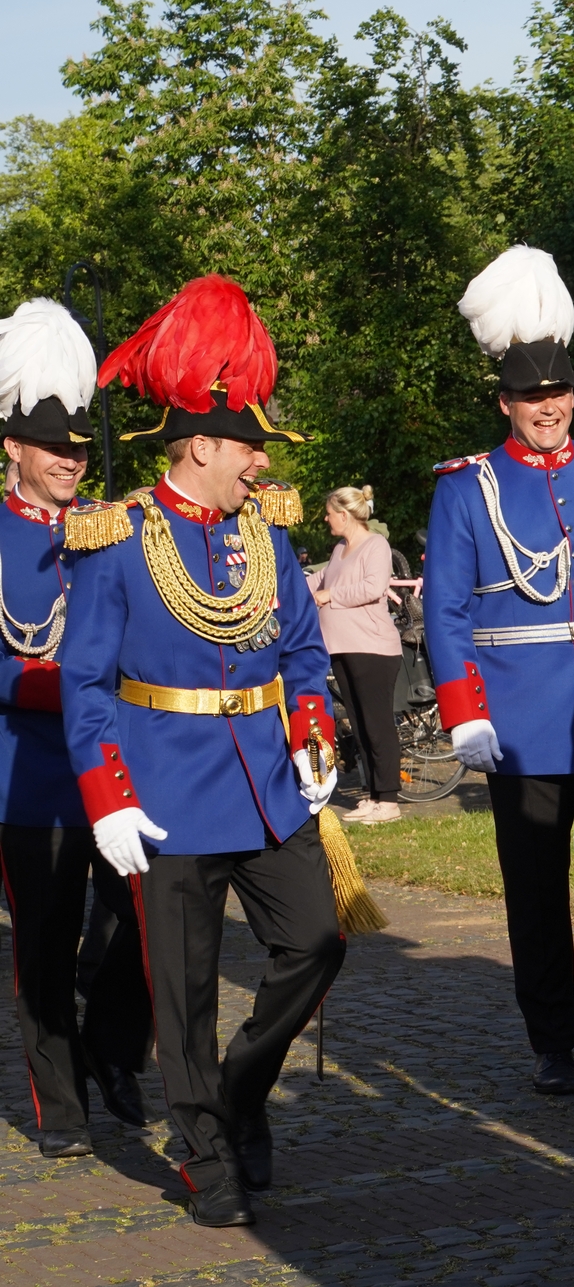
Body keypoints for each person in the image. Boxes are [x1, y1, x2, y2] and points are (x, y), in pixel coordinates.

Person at [62, 275, 344, 1228]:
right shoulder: (118, 538)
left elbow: (303, 650)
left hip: (266, 784)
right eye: (250, 446)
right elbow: (86, 682)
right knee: (181, 996)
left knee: (316, 938)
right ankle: (205, 1154)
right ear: (201, 446)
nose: (263, 462)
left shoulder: (263, 535)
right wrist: (108, 795)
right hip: (166, 792)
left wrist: (312, 733)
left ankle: (238, 1093)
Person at [425, 245, 574, 1095]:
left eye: (559, 391)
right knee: (535, 892)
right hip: (521, 728)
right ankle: (552, 1043)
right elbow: (445, 612)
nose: (549, 407)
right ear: (506, 402)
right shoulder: (468, 488)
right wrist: (465, 711)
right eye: (532, 396)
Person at [0, 299, 151, 1157]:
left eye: (80, 447)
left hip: (122, 766)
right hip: (30, 775)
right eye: (52, 445)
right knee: (46, 944)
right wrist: (68, 688)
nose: (70, 459)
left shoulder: (118, 527)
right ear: (13, 447)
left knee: (142, 917)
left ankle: (113, 1046)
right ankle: (61, 1106)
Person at [310, 486, 403, 824]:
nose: (326, 519)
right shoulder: (339, 550)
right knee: (360, 726)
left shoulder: (376, 545)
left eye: (329, 514)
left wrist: (329, 595)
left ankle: (389, 800)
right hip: (342, 647)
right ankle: (373, 795)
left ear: (344, 515)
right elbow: (317, 580)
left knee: (377, 725)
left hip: (372, 648)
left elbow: (373, 587)